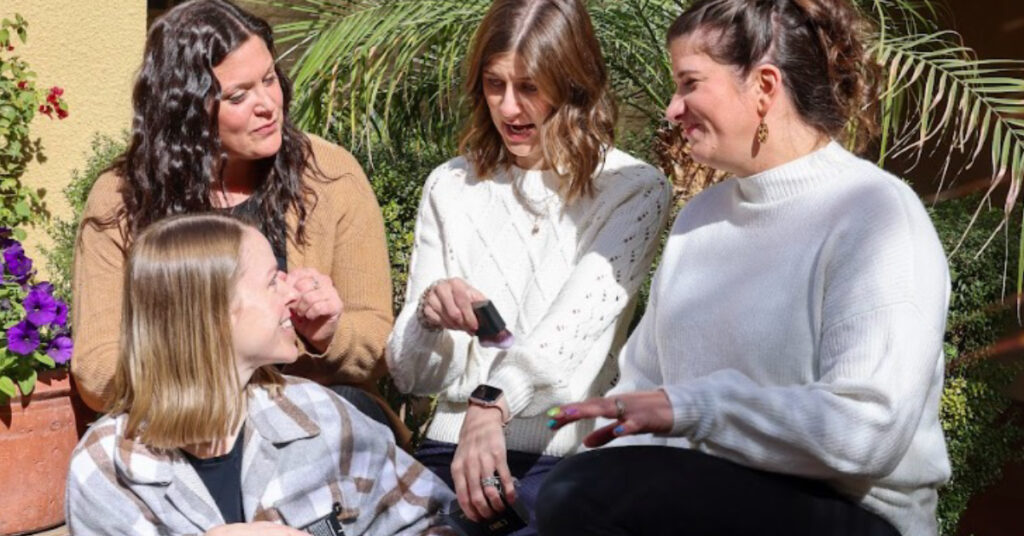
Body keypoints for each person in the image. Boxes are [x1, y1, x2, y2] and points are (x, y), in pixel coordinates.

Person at [538, 0, 950, 535]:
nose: (672, 109)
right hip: (703, 498)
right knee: (560, 492)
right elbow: (645, 391)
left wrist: (698, 409)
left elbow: (867, 432)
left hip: (855, 514)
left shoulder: (875, 213)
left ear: (764, 86)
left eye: (689, 83)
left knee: (581, 493)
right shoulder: (699, 220)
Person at [385, 0, 672, 533]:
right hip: (448, 451)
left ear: (573, 85)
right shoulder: (449, 186)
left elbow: (568, 335)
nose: (509, 108)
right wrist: (427, 317)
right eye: (494, 85)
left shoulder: (633, 189)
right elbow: (411, 375)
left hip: (561, 462)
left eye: (530, 87)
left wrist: (491, 402)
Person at [70, 0, 398, 434]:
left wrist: (326, 333)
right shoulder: (122, 197)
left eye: (270, 79)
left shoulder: (330, 175)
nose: (268, 105)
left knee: (354, 411)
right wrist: (221, 360)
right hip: (184, 422)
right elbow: (98, 368)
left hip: (315, 417)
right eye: (238, 96)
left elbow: (377, 342)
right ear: (186, 109)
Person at [65, 215, 454, 536]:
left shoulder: (321, 417)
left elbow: (439, 522)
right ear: (212, 314)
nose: (292, 294)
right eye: (272, 281)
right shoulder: (107, 470)